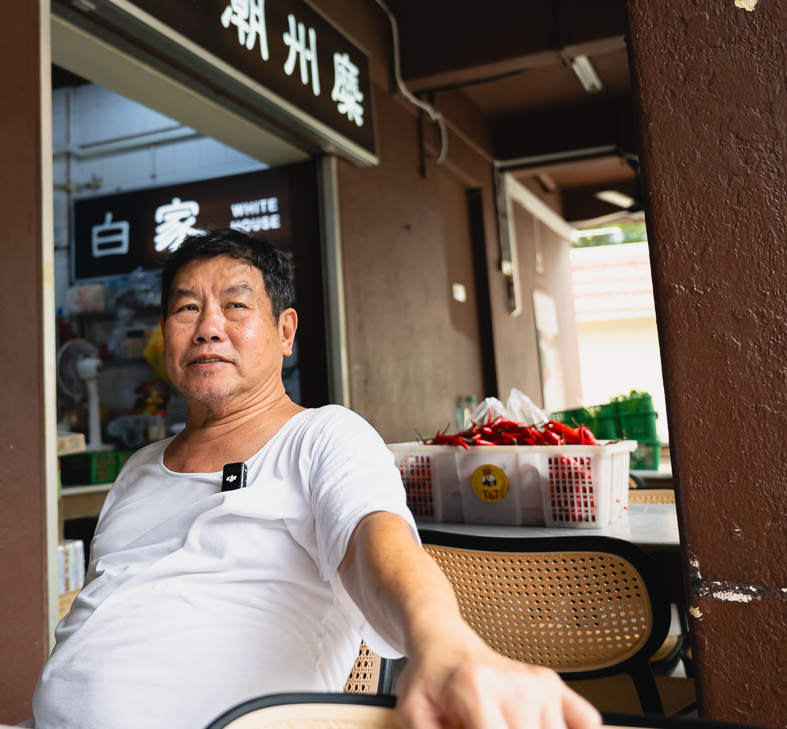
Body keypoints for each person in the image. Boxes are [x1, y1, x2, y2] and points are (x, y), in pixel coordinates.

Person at [32, 229, 600, 729]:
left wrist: (446, 646)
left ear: (285, 331)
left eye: (235, 305)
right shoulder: (136, 470)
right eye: (185, 310)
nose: (208, 327)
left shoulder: (325, 437)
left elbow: (383, 548)